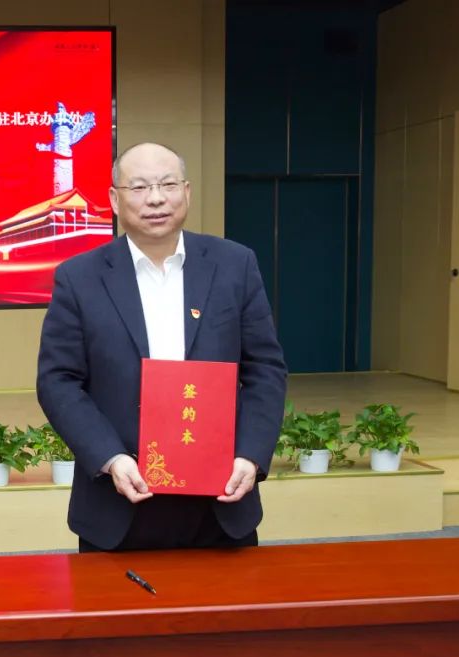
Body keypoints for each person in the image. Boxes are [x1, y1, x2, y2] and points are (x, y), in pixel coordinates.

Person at [36, 142, 287, 551]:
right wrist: (110, 458)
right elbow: (58, 381)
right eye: (139, 187)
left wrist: (251, 454)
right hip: (119, 501)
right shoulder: (79, 278)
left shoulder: (234, 265)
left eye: (167, 184)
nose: (155, 198)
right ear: (115, 199)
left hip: (221, 500)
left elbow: (265, 369)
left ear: (186, 192)